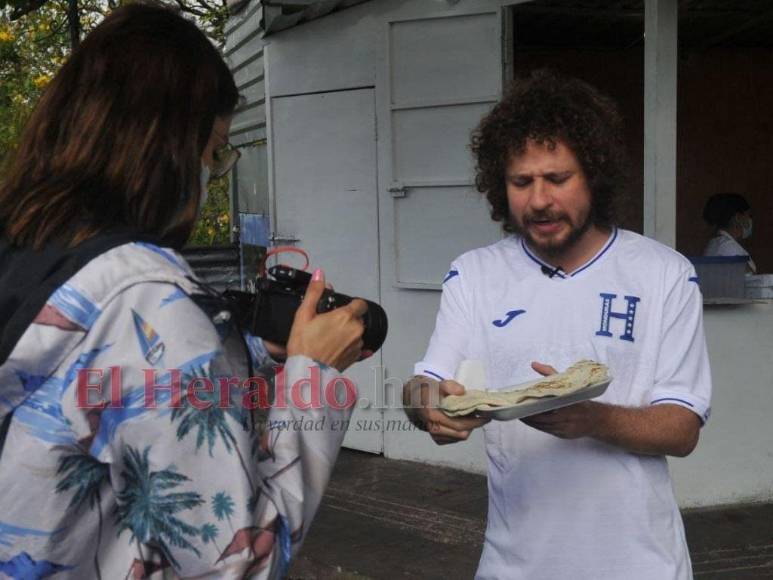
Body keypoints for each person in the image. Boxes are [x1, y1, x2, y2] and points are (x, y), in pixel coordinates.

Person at [0, 4, 365, 578]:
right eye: (214, 149)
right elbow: (238, 562)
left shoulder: (29, 253)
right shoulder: (148, 300)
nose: (210, 170)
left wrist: (248, 359)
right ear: (164, 145)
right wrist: (311, 375)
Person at [403, 70, 712, 580]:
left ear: (594, 175)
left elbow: (681, 429)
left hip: (641, 565)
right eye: (521, 182)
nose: (539, 200)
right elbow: (424, 384)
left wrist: (590, 418)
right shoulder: (475, 274)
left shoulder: (664, 274)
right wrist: (429, 408)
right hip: (514, 565)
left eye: (558, 179)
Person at [703, 192, 756, 273]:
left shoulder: (719, 243)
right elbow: (749, 279)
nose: (750, 220)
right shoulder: (728, 247)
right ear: (738, 218)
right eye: (749, 215)